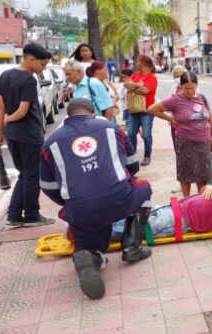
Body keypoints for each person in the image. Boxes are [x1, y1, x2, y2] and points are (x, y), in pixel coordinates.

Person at [39, 99, 153, 300]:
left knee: (90, 241)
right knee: (144, 188)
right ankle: (131, 247)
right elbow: (133, 165)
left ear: (68, 117)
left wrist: (71, 201)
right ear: (92, 114)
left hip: (80, 209)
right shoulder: (111, 128)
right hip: (119, 199)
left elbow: (48, 187)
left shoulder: (50, 143)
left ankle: (92, 257)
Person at [0, 43, 55, 228]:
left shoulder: (5, 76)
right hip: (28, 134)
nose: (43, 69)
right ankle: (31, 215)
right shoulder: (28, 79)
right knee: (32, 176)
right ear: (31, 59)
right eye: (42, 65)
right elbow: (22, 111)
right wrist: (7, 120)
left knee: (24, 174)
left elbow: (0, 106)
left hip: (13, 136)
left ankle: (13, 215)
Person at [147, 72, 212, 198]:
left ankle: (200, 203)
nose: (190, 91)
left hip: (204, 142)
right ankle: (186, 201)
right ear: (181, 86)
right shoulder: (175, 99)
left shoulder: (202, 98)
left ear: (197, 86)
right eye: (186, 88)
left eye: (193, 88)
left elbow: (211, 120)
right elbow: (152, 109)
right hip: (185, 142)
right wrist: (171, 120)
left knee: (202, 175)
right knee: (185, 174)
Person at [111, 176, 212, 240]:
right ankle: (98, 224)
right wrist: (210, 187)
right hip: (171, 209)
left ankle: (96, 236)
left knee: (133, 227)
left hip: (176, 220)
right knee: (129, 214)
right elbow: (205, 192)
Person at [124, 55, 159, 166]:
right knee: (130, 133)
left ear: (144, 63)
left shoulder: (152, 77)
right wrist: (138, 85)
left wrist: (133, 86)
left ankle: (147, 156)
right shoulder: (135, 74)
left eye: (138, 62)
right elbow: (126, 84)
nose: (136, 64)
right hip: (133, 109)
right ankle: (132, 156)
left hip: (147, 110)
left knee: (146, 134)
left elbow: (145, 91)